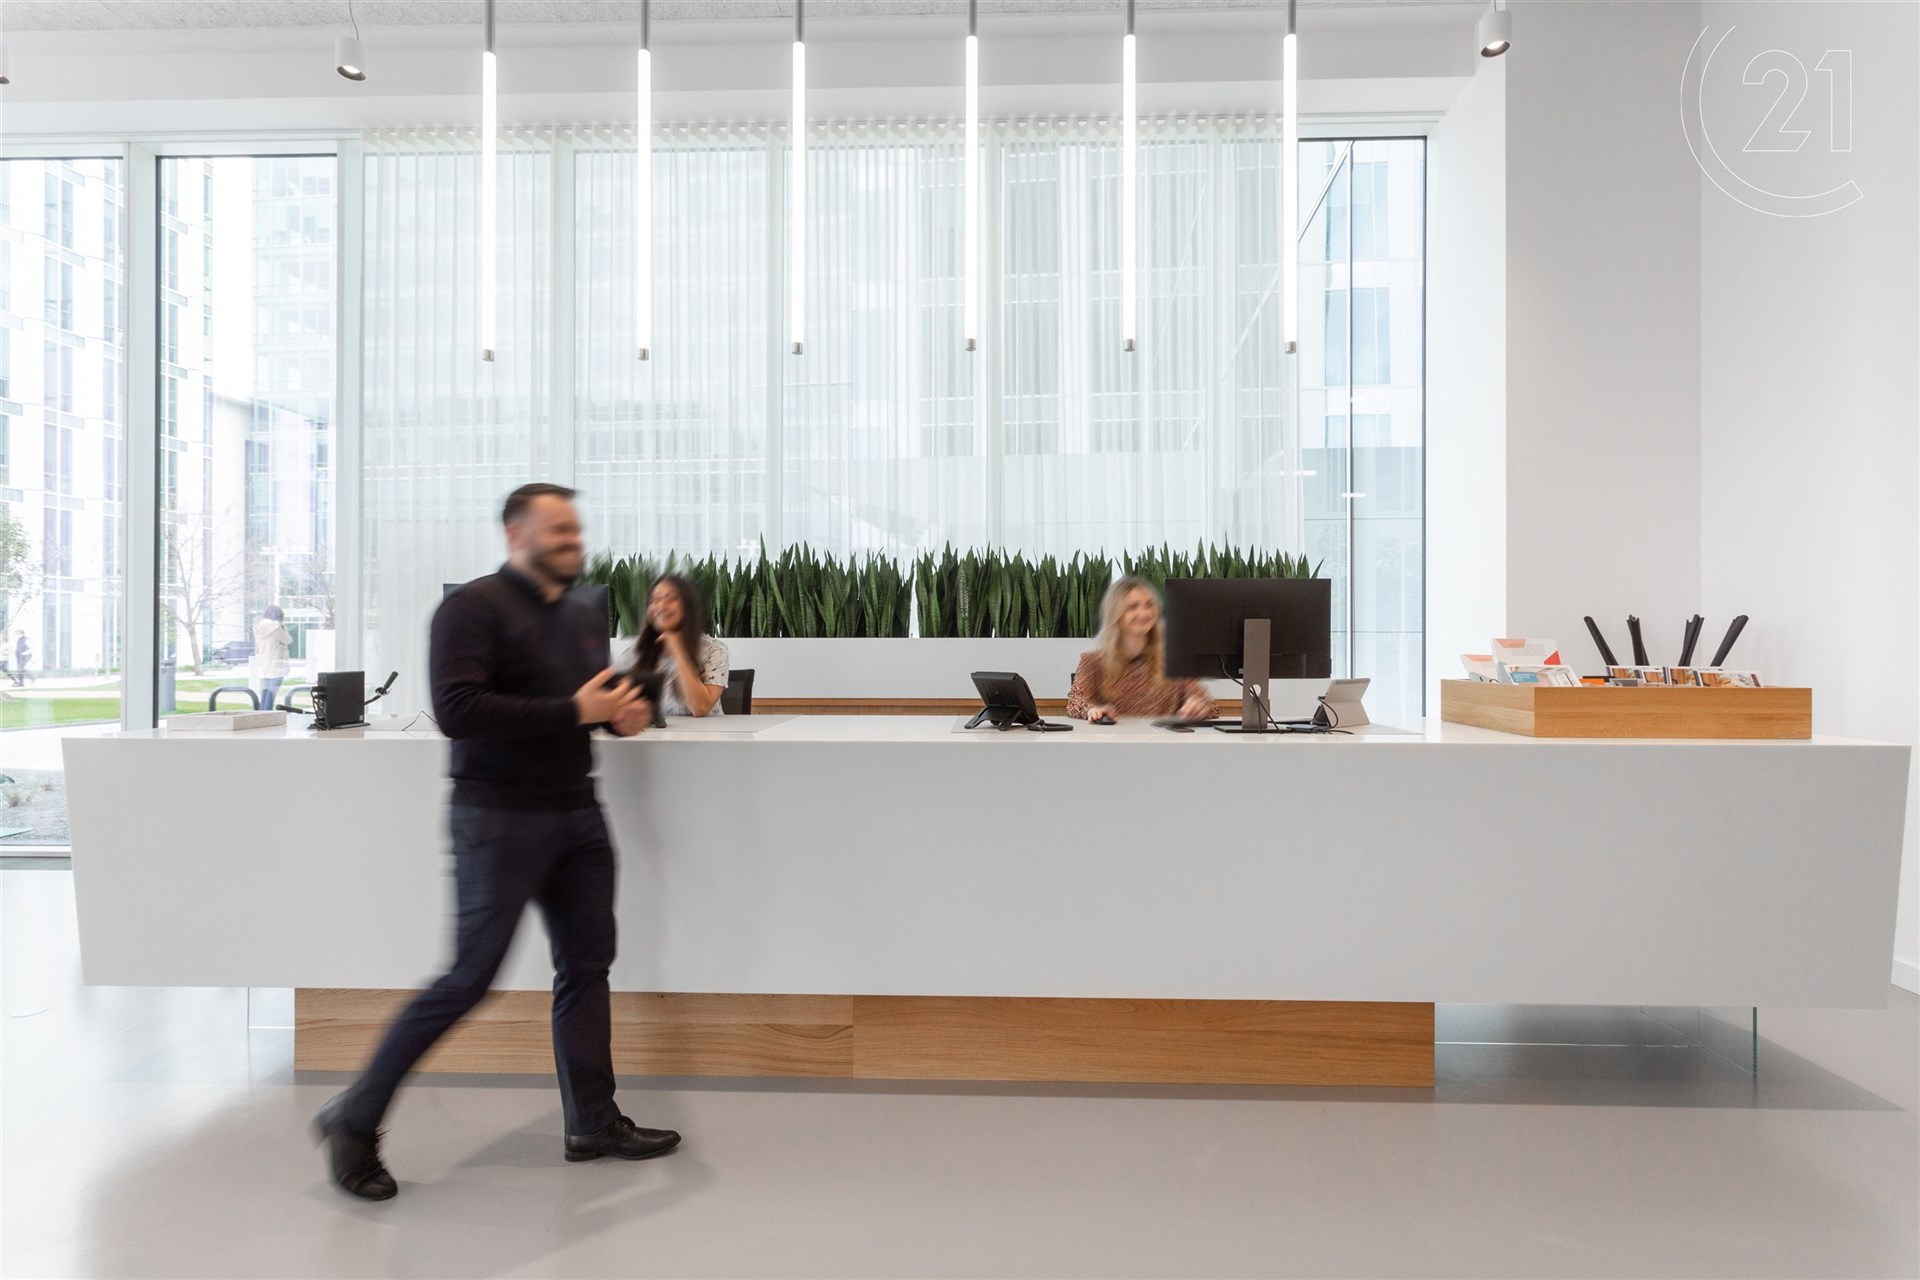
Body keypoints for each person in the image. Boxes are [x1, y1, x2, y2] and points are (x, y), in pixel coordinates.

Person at [313, 483, 680, 1203]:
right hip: (498, 817)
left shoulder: (578, 614)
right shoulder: (470, 608)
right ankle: (351, 1118)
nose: (573, 540)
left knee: (586, 968)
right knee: (468, 978)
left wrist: (614, 716)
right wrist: (577, 708)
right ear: (517, 536)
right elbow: (458, 709)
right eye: (558, 530)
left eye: (576, 529)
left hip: (576, 812)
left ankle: (592, 1123)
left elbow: (585, 699)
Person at [1064, 576, 1215, 722]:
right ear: (1115, 615)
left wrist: (1200, 706)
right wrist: (1092, 710)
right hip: (1113, 738)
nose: (1145, 613)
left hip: (1164, 738)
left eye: (1149, 605)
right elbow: (1075, 703)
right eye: (1133, 607)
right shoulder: (1092, 662)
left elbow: (1209, 707)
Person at [630, 573, 729, 718]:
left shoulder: (714, 650)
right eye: (654, 600)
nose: (661, 606)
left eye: (671, 598)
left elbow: (700, 708)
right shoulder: (637, 651)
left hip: (705, 731)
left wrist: (678, 650)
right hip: (655, 732)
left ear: (688, 607)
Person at [253, 606, 292, 709]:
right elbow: (287, 640)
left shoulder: (259, 628)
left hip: (266, 662)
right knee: (272, 692)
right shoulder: (275, 628)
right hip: (277, 663)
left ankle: (262, 713)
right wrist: (283, 627)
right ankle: (267, 713)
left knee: (266, 690)